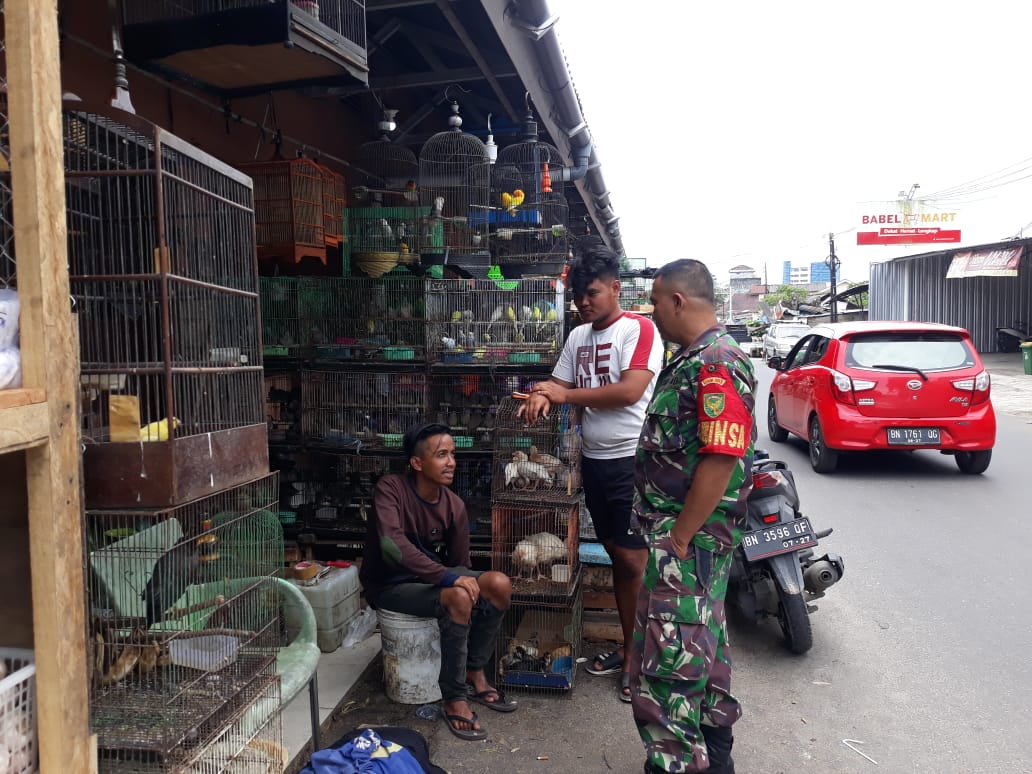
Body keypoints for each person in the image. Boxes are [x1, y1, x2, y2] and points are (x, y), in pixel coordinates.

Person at [628, 259, 756, 774]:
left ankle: (679, 764)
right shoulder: (693, 358)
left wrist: (680, 538)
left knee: (669, 665)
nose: (653, 313)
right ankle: (714, 752)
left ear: (677, 300)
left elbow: (721, 457)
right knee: (701, 642)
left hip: (690, 543)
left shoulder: (714, 362)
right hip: (695, 542)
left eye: (656, 302)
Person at [521, 242, 664, 702]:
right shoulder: (578, 337)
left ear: (616, 288)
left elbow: (629, 391)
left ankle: (637, 659)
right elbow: (560, 381)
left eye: (593, 292)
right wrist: (544, 394)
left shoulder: (638, 329)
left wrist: (563, 397)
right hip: (596, 463)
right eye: (579, 294)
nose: (584, 301)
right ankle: (633, 648)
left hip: (632, 460)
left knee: (634, 560)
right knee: (621, 558)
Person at [359, 422, 517, 741]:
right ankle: (454, 697)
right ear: (417, 463)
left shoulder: (453, 505)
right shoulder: (391, 489)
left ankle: (475, 671)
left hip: (429, 583)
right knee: (457, 595)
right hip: (390, 586)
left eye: (453, 454)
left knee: (498, 584)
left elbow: (460, 564)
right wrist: (450, 578)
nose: (451, 463)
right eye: (441, 455)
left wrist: (462, 580)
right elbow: (393, 547)